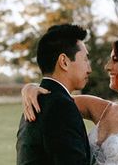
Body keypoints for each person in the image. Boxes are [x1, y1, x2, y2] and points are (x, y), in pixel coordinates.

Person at [23, 33, 118, 165]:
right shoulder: (101, 108)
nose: (107, 66)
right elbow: (56, 99)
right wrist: (30, 87)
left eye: (115, 60)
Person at [16, 23, 92, 165]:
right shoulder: (60, 106)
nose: (89, 69)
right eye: (85, 59)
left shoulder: (39, 100)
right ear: (64, 61)